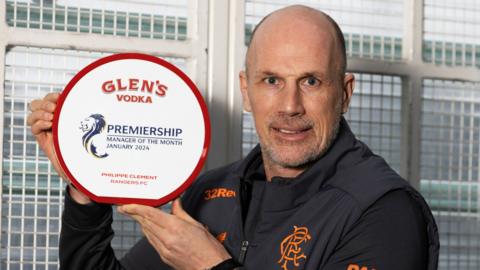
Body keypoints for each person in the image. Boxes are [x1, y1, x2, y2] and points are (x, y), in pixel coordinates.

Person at [27, 5, 439, 270]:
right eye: (271, 80)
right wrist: (86, 184)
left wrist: (211, 268)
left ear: (344, 93)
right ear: (246, 91)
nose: (290, 105)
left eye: (311, 81)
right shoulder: (209, 192)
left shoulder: (384, 211)